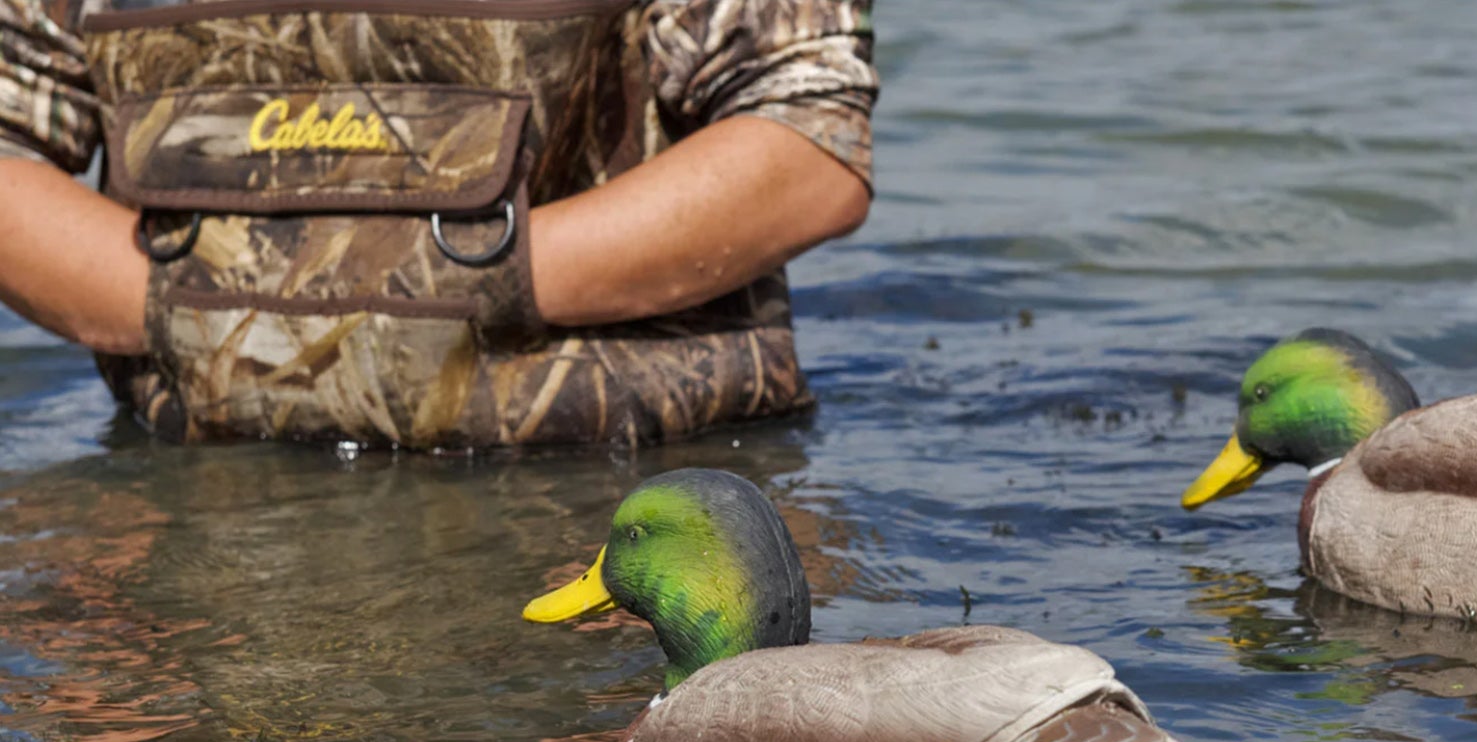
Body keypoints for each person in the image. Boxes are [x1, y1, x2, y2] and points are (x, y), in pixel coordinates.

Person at [0, 0, 876, 447]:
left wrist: (453, 291)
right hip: (195, 480)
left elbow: (808, 151)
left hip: (615, 498)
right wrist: (208, 314)